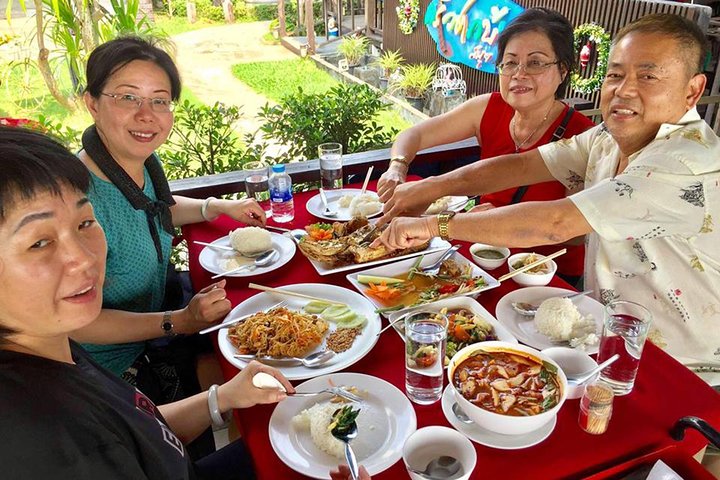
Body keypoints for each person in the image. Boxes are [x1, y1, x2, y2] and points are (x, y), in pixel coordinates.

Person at [374, 13, 720, 372]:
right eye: (616, 74)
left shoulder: (684, 162)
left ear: (692, 90)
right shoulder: (606, 138)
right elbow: (519, 166)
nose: (624, 89)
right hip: (607, 338)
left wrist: (435, 226)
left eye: (647, 76)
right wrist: (429, 187)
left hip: (683, 368)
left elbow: (556, 223)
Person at [0, 126, 293, 479]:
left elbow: (140, 433)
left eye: (85, 222)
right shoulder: (52, 445)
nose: (85, 257)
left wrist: (222, 397)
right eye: (39, 243)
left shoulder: (50, 346)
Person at [71, 37, 267, 409]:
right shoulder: (78, 201)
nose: (147, 115)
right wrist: (177, 322)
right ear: (92, 103)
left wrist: (218, 206)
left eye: (159, 100)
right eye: (128, 97)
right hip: (110, 367)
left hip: (159, 318)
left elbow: (153, 207)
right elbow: (78, 322)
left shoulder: (137, 163)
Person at [377, 8, 595, 282]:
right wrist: (397, 167)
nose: (519, 73)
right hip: (480, 254)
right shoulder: (488, 108)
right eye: (510, 62)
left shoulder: (583, 136)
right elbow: (414, 135)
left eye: (536, 63)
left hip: (544, 273)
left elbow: (576, 234)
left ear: (563, 70)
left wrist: (491, 218)